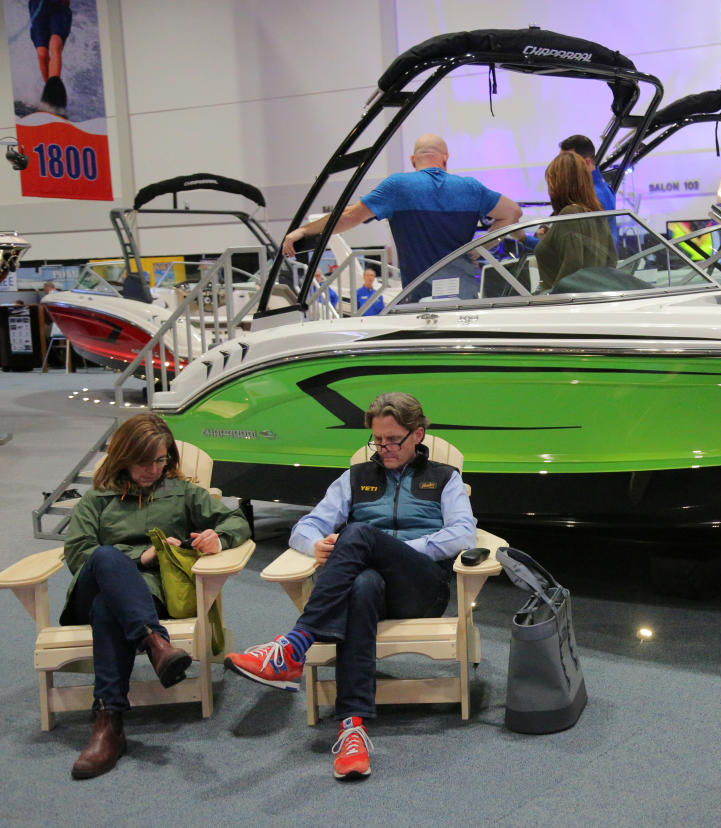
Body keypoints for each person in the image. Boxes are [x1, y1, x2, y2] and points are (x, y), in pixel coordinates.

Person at [226, 392, 477, 781]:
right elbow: (305, 527)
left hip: (422, 587)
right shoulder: (355, 478)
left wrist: (390, 549)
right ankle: (351, 729)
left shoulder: (445, 478)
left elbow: (463, 534)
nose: (385, 448)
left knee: (359, 534)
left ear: (418, 434)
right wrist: (316, 544)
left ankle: (293, 647)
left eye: (393, 440)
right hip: (370, 590)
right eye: (378, 440)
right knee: (361, 584)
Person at [60, 413, 251, 779]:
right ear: (123, 456)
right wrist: (141, 556)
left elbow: (235, 521)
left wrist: (217, 538)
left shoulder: (181, 493)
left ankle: (109, 722)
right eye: (145, 461)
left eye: (161, 460)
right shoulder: (97, 500)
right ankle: (156, 642)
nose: (154, 468)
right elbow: (78, 555)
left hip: (145, 600)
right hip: (91, 587)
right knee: (104, 556)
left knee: (108, 608)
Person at [281, 134, 522, 301]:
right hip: (464, 293)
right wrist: (480, 248)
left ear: (413, 160)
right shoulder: (470, 188)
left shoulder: (399, 186)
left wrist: (303, 231)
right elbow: (513, 212)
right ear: (445, 158)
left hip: (420, 297)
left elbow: (349, 216)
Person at [534, 152, 618, 292]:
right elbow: (612, 259)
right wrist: (550, 237)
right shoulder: (596, 213)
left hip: (563, 306)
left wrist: (553, 299)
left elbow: (572, 267)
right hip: (590, 300)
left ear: (558, 184)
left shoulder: (570, 214)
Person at [29, 0, 72, 113]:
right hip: (37, 7)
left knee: (55, 44)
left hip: (59, 8)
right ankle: (49, 94)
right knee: (42, 54)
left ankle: (54, 100)